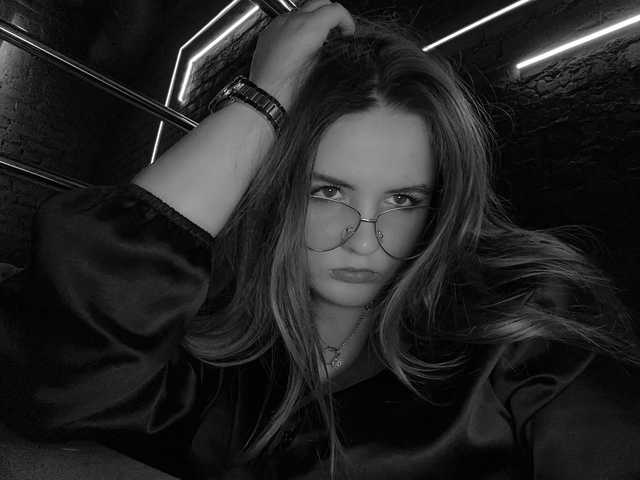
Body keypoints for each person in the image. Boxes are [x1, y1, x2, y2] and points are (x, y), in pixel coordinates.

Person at [2, 1, 640, 479]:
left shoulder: (517, 342)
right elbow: (57, 366)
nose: (364, 242)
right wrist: (264, 99)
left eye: (403, 200)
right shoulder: (212, 359)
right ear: (275, 192)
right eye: (328, 191)